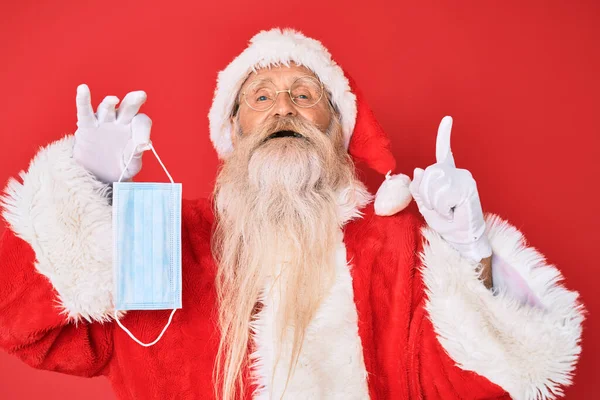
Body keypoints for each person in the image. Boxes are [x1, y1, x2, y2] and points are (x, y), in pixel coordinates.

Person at [0, 28, 584, 400]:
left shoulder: (397, 244)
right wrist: (85, 192)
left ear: (338, 129)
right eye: (261, 97)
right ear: (232, 131)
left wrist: (472, 255)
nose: (284, 106)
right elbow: (31, 334)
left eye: (306, 94)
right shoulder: (168, 239)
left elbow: (479, 384)